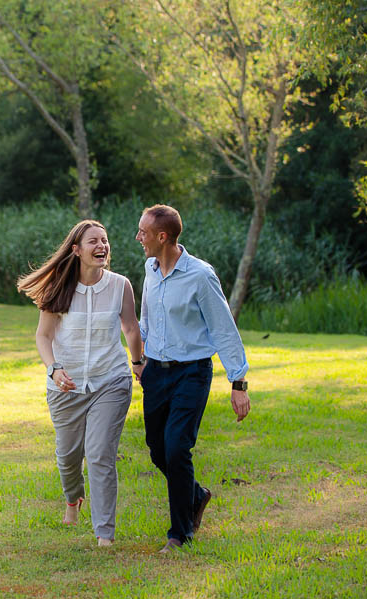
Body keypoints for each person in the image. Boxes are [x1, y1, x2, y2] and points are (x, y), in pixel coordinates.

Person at [133, 204, 251, 554]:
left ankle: (179, 534)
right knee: (157, 450)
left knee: (176, 447)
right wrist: (139, 359)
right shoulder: (149, 269)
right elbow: (146, 317)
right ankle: (196, 496)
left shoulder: (201, 275)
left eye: (143, 232)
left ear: (162, 236)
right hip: (156, 372)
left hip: (192, 373)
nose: (138, 238)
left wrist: (238, 382)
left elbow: (223, 328)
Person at [17, 220, 143, 547]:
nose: (102, 246)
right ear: (77, 250)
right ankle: (73, 499)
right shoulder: (59, 287)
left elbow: (130, 327)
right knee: (68, 456)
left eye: (105, 240)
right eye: (93, 241)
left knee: (100, 453)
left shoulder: (120, 286)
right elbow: (43, 336)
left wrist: (138, 362)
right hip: (66, 386)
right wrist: (54, 369)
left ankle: (104, 535)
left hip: (110, 381)